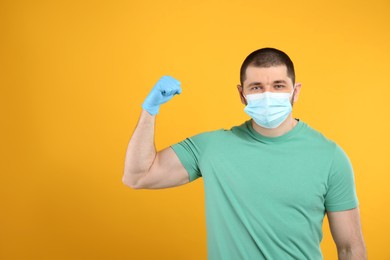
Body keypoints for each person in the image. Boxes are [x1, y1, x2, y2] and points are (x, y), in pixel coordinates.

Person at [123, 48, 367, 259]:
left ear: (295, 91)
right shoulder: (212, 148)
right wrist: (150, 110)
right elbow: (138, 175)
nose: (267, 95)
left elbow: (350, 248)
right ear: (242, 94)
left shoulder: (329, 157)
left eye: (278, 86)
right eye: (257, 87)